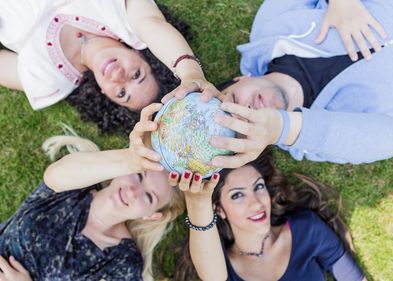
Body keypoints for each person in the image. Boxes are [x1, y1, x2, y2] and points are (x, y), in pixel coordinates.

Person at [0, 104, 184, 281]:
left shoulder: (123, 263)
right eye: (139, 176)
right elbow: (53, 178)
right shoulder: (77, 187)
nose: (133, 191)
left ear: (152, 215)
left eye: (149, 196)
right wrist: (130, 159)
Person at [208, 0, 393, 166]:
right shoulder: (313, 142)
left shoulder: (270, 29)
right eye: (244, 126)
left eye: (234, 102)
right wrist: (284, 128)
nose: (247, 109)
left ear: (241, 79)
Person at [0, 0, 218, 134]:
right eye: (137, 75)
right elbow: (154, 26)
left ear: (106, 95)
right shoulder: (125, 18)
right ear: (142, 54)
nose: (120, 77)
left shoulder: (50, 79)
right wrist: (190, 73)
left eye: (122, 93)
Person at [175, 150, 365, 281]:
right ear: (219, 209)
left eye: (258, 187)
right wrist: (198, 203)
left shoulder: (306, 229)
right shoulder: (221, 266)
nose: (257, 203)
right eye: (238, 195)